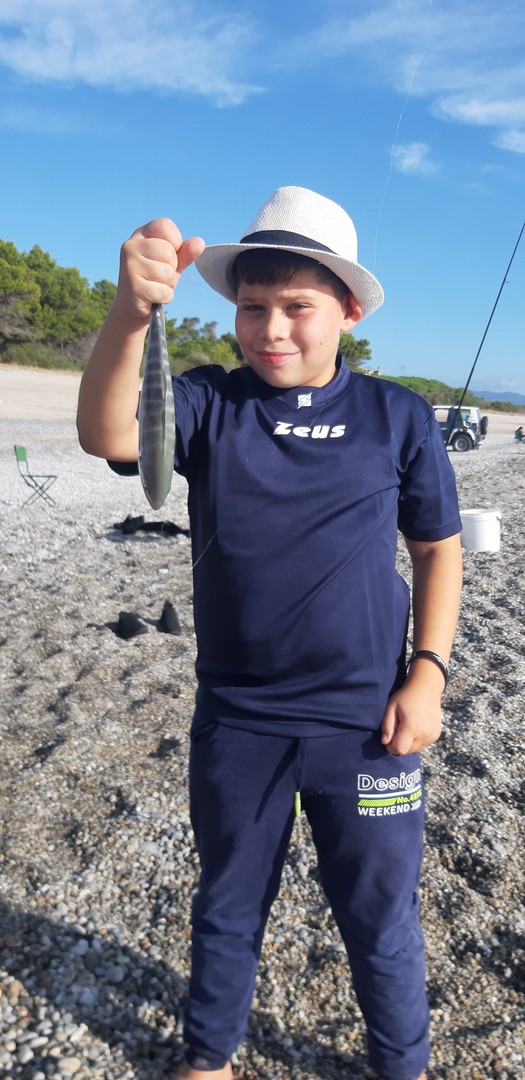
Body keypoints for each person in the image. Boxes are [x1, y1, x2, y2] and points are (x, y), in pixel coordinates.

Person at [77, 186, 463, 1080]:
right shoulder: (210, 401)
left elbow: (436, 550)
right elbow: (108, 433)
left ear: (349, 311)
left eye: (297, 307)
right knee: (226, 902)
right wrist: (132, 311)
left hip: (368, 726)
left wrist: (428, 673)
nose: (271, 329)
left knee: (379, 916)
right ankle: (209, 1058)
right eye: (252, 308)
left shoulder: (397, 416)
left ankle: (401, 1067)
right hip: (238, 720)